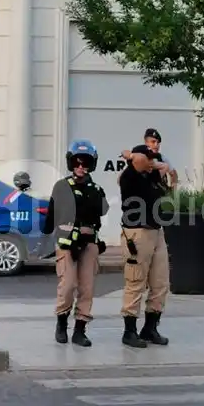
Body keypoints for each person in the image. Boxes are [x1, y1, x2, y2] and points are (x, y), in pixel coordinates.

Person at [44, 140, 109, 347]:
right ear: (70, 163)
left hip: (89, 242)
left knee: (87, 288)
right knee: (68, 285)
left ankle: (80, 329)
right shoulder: (62, 186)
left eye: (85, 163)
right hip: (67, 244)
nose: (81, 167)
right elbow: (52, 216)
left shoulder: (96, 189)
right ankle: (61, 323)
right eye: (77, 163)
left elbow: (102, 212)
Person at [118, 144, 170, 348]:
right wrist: (134, 157)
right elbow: (138, 160)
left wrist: (159, 168)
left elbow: (167, 174)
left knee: (160, 283)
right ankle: (129, 331)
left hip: (156, 231)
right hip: (137, 233)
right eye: (148, 159)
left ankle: (150, 328)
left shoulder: (152, 177)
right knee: (135, 282)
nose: (151, 162)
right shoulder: (129, 176)